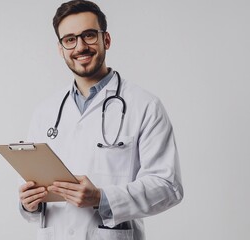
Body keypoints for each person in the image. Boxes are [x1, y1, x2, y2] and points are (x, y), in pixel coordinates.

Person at [18, 1, 184, 239]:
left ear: (106, 40)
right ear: (61, 48)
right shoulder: (45, 111)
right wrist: (28, 204)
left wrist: (102, 198)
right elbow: (34, 199)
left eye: (89, 35)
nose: (80, 46)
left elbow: (169, 187)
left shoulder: (145, 106)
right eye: (70, 39)